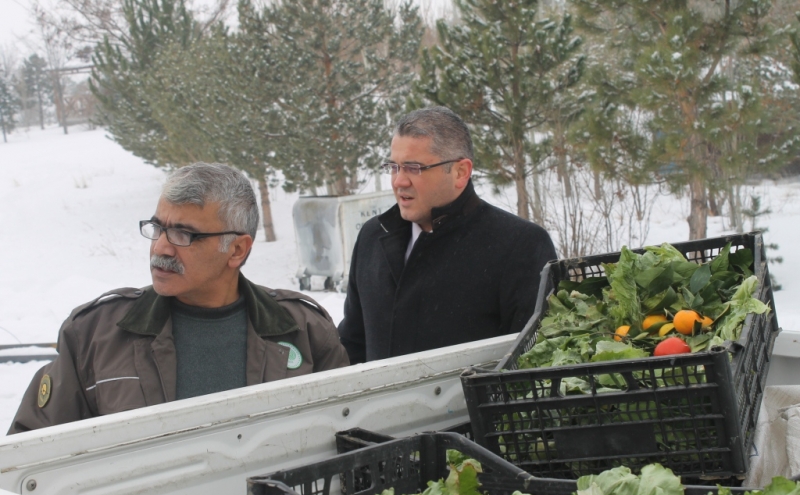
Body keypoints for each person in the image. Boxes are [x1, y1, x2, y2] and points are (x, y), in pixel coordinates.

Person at [8, 163, 349, 434]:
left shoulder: (302, 330)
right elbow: (29, 460)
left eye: (184, 234)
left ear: (237, 249)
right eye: (158, 228)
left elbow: (348, 441)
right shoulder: (93, 335)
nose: (160, 247)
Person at [338, 106, 557, 363]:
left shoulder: (520, 246)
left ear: (460, 172)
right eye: (394, 167)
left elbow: (535, 363)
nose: (399, 181)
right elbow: (352, 344)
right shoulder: (373, 236)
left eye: (413, 168)